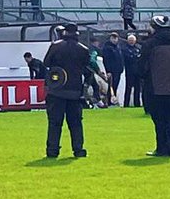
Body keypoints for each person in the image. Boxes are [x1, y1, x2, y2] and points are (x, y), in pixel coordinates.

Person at [42, 21, 90, 159]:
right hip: (75, 91)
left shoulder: (56, 46)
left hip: (57, 89)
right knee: (75, 123)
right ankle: (78, 149)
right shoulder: (83, 49)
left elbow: (47, 63)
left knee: (55, 123)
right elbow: (86, 67)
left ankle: (52, 150)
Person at [137, 15, 170, 157]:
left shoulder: (150, 44)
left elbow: (142, 67)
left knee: (159, 119)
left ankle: (162, 148)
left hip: (154, 86)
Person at [101, 32, 125, 105]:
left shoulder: (118, 47)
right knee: (110, 87)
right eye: (113, 38)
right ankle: (108, 102)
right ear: (110, 38)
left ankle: (112, 101)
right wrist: (108, 71)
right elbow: (106, 60)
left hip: (118, 71)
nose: (114, 40)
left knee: (114, 86)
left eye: (116, 38)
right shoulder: (107, 48)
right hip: (111, 71)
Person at [122, 32, 142, 108]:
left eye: (132, 40)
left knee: (137, 88)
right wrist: (135, 57)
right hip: (129, 71)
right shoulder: (125, 48)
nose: (131, 41)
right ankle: (126, 104)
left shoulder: (138, 48)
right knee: (128, 88)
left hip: (137, 71)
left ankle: (137, 103)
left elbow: (140, 57)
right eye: (130, 40)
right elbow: (129, 58)